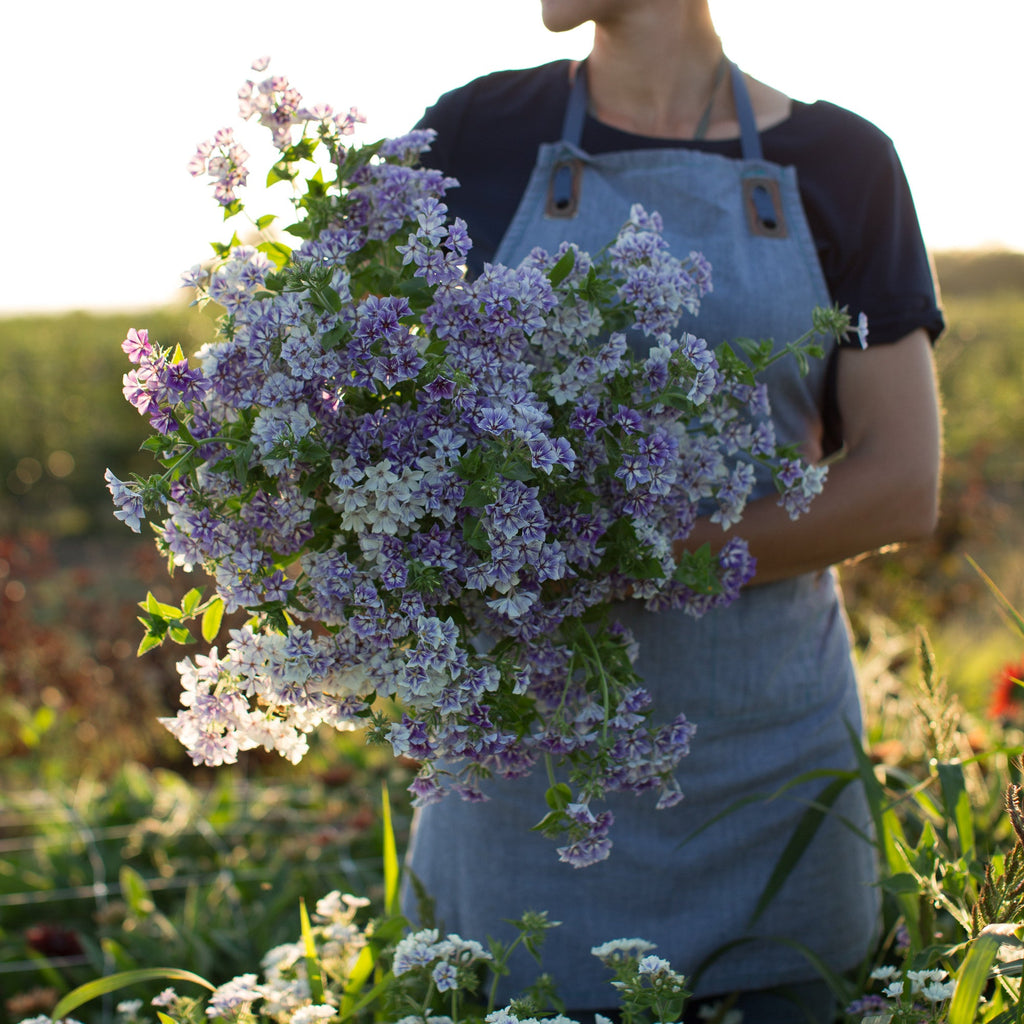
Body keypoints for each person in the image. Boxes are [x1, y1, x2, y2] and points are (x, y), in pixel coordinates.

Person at [403, 2, 944, 1021]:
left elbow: (899, 482)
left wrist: (644, 555)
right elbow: (379, 398)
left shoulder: (843, 162)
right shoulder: (473, 133)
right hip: (525, 788)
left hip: (764, 764)